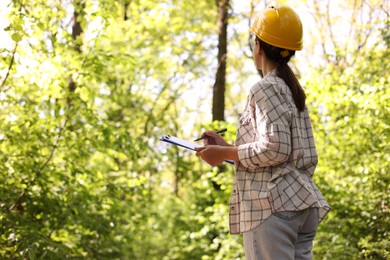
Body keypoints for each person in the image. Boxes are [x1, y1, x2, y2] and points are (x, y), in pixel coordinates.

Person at [195, 4, 331, 260]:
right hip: (300, 203)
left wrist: (224, 152)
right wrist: (224, 149)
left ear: (258, 46)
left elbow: (276, 149)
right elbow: (277, 150)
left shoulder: (265, 88)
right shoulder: (292, 89)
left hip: (273, 208)